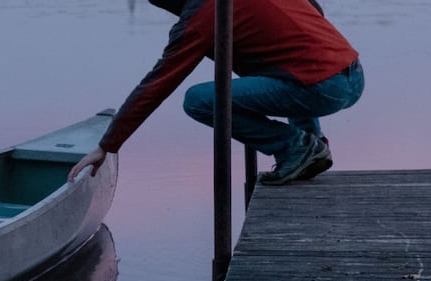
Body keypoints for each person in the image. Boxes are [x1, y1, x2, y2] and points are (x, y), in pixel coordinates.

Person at [70, 0, 363, 186]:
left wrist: (108, 144)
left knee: (199, 100)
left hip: (323, 88)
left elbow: (157, 84)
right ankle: (310, 145)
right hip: (352, 73)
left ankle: (296, 148)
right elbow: (313, 7)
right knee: (290, 62)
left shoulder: (202, 16)